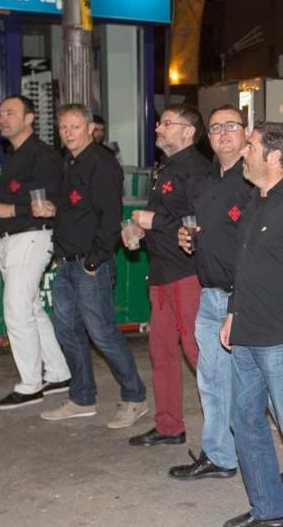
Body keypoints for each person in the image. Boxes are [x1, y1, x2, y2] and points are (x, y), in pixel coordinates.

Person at [219, 122, 283, 527]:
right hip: (246, 330)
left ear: (274, 156)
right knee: (244, 421)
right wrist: (232, 310)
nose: (244, 152)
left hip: (280, 336)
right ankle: (270, 511)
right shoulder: (255, 199)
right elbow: (245, 265)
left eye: (251, 146)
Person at [37, 104, 148, 427]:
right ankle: (81, 397)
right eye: (63, 128)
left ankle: (134, 397)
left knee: (102, 333)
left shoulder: (102, 163)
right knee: (67, 331)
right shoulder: (70, 162)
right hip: (67, 262)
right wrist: (53, 211)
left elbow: (110, 218)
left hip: (89, 264)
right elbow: (79, 210)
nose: (68, 133)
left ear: (90, 128)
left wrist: (94, 260)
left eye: (74, 127)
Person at [166, 106, 252, 479]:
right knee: (212, 382)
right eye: (215, 128)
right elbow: (202, 232)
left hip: (248, 300)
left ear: (246, 132)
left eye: (231, 126)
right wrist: (188, 238)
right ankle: (220, 455)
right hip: (211, 294)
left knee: (264, 387)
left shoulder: (255, 180)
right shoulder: (203, 183)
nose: (223, 133)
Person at [0, 96, 70, 409]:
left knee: (16, 311)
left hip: (33, 239)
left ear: (29, 118)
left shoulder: (43, 156)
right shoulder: (13, 155)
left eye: (10, 113)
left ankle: (30, 384)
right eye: (0, 113)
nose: (2, 118)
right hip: (12, 240)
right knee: (31, 309)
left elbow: (52, 204)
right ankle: (58, 372)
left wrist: (9, 208)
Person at [125, 105, 211, 447]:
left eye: (167, 123)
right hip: (160, 272)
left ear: (188, 132)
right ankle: (169, 425)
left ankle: (228, 432)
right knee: (161, 352)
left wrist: (152, 223)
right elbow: (160, 218)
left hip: (185, 274)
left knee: (198, 354)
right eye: (159, 122)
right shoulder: (165, 169)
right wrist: (137, 231)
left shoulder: (199, 171)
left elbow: (199, 225)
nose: (158, 128)